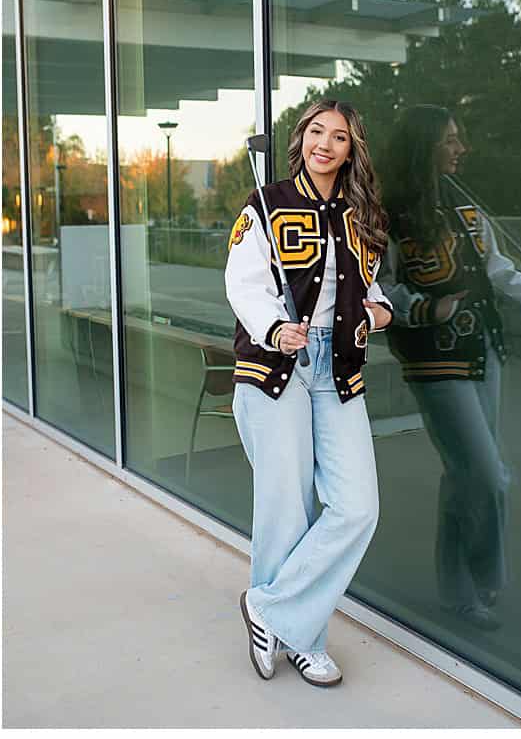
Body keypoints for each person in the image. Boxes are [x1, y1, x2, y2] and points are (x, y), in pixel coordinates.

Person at [225, 98, 393, 687]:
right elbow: (242, 281)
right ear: (303, 140)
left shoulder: (360, 214)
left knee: (357, 507)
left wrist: (380, 309)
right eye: (317, 132)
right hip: (278, 364)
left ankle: (270, 609)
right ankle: (306, 638)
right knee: (285, 507)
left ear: (351, 150)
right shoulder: (265, 203)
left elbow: (372, 283)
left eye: (339, 136)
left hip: (339, 364)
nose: (326, 143)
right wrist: (275, 326)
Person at [378, 104, 521, 631]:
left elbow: (495, 266)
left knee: (464, 477)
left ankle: (459, 593)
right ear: (425, 146)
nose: (462, 148)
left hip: (485, 348)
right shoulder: (390, 215)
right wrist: (423, 308)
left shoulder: (464, 205)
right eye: (451, 140)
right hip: (433, 357)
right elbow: (378, 285)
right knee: (486, 474)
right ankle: (485, 573)